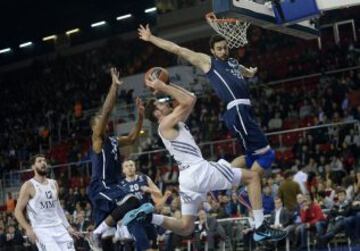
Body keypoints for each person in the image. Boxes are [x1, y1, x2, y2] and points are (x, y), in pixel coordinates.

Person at [123, 77, 287, 242]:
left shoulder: (173, 122)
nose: (166, 103)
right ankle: (260, 227)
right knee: (252, 177)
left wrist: (169, 82)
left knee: (186, 227)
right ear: (157, 113)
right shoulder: (165, 123)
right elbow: (186, 100)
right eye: (161, 104)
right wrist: (163, 86)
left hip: (188, 179)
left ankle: (148, 217)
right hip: (199, 171)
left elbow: (191, 98)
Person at [138, 24, 275, 218]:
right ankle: (244, 193)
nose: (223, 51)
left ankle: (223, 176)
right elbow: (178, 49)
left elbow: (240, 69)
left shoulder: (233, 62)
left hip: (245, 110)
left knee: (251, 156)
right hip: (236, 110)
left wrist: (249, 73)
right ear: (211, 50)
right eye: (219, 48)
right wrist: (151, 38)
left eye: (225, 47)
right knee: (267, 155)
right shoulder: (208, 61)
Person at [87, 67, 152, 250]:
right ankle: (97, 232)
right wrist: (114, 86)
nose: (104, 122)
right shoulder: (97, 140)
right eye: (99, 121)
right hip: (101, 185)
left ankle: (103, 232)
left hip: (114, 186)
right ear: (94, 127)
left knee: (107, 243)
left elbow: (132, 138)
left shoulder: (114, 140)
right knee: (132, 201)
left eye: (103, 120)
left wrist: (140, 117)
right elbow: (107, 110)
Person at [14, 154, 81, 251]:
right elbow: (17, 211)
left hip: (59, 228)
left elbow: (57, 208)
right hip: (42, 230)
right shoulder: (29, 185)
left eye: (44, 161)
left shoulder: (54, 183)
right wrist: (28, 228)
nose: (43, 163)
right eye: (39, 161)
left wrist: (68, 226)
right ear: (33, 166)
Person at [119, 160, 162, 251]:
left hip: (147, 217)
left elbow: (159, 194)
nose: (129, 167)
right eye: (126, 166)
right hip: (133, 220)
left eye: (131, 165)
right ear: (123, 170)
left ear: (135, 167)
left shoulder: (144, 178)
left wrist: (150, 190)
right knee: (145, 245)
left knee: (154, 246)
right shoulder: (120, 185)